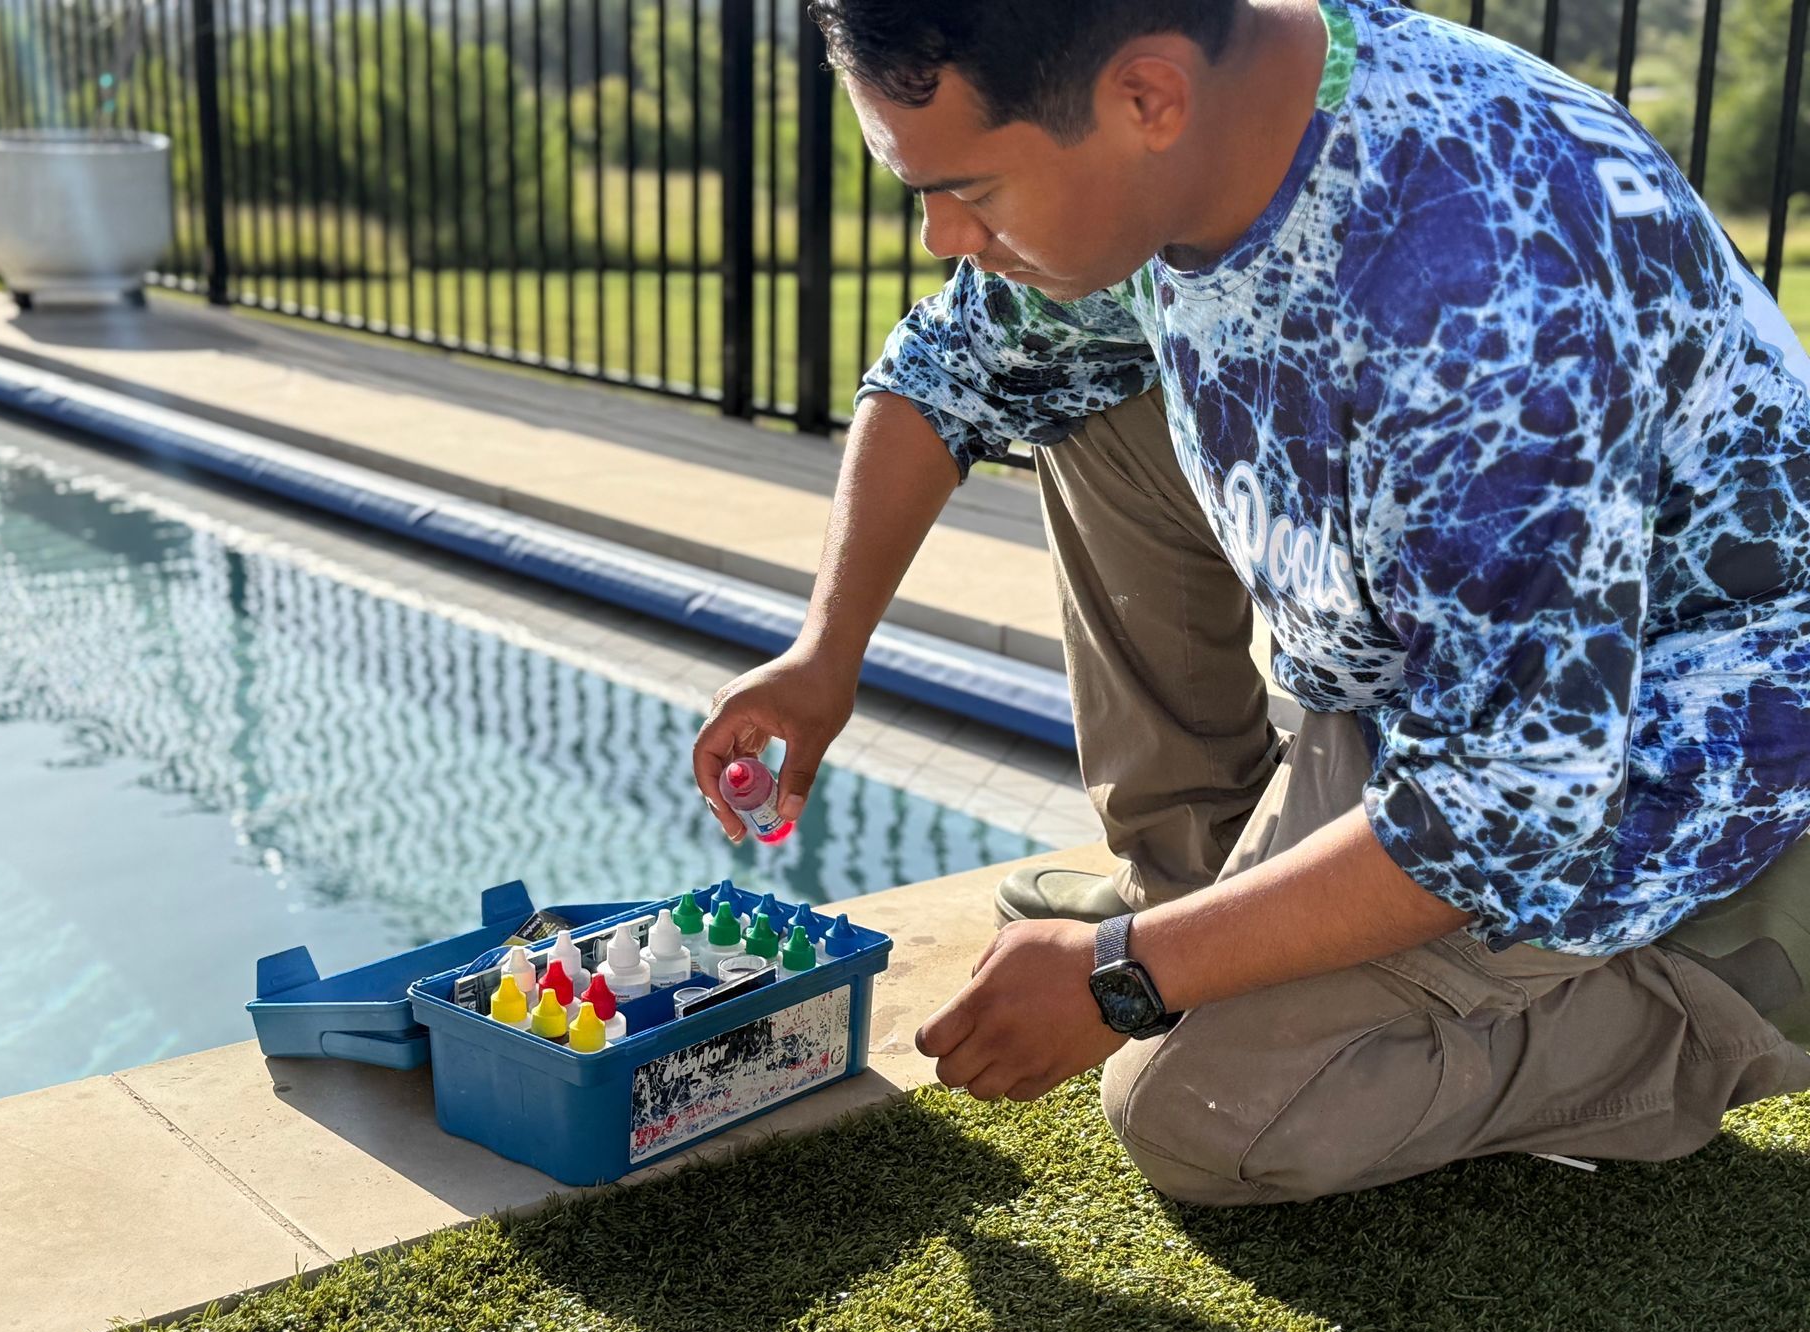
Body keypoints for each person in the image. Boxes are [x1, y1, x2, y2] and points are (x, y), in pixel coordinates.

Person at [691, 0, 1810, 1205]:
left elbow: (1501, 805)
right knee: (1073, 384)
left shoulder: (1478, 290)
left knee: (1203, 1120)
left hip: (1644, 755)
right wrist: (825, 652)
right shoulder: (1217, 126)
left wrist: (1121, 979)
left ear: (1146, 98)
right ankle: (1194, 880)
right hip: (1422, 684)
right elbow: (948, 369)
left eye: (970, 189)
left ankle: (1736, 986)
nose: (939, 236)